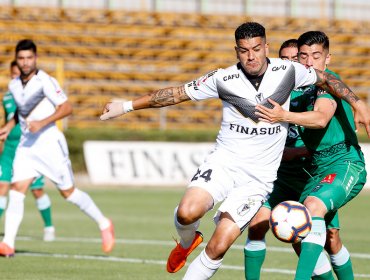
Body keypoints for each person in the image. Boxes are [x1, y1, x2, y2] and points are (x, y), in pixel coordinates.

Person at [100, 22, 369, 279]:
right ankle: (186, 240)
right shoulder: (222, 78)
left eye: (256, 49)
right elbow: (176, 93)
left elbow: (327, 79)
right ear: (236, 50)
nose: (250, 56)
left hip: (257, 179)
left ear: (265, 47)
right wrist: (125, 106)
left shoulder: (289, 71)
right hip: (224, 163)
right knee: (187, 212)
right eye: (243, 50)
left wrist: (359, 105)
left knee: (219, 245)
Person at [255, 31, 367, 280]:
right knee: (316, 233)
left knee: (312, 208)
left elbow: (320, 118)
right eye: (303, 57)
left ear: (327, 59)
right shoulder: (293, 90)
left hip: (345, 161)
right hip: (316, 170)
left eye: (315, 56)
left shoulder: (327, 84)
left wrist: (360, 104)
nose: (308, 63)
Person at [0, 39, 115, 257]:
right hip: (27, 145)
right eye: (21, 58)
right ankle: (8, 243)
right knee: (17, 189)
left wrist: (42, 123)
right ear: (17, 59)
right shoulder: (14, 85)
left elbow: (67, 107)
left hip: (49, 143)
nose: (25, 62)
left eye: (29, 58)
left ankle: (103, 223)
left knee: (68, 193)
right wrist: (8, 125)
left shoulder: (46, 81)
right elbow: (21, 111)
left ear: (35, 58)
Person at [0, 60, 55, 242]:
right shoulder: (7, 97)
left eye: (20, 75)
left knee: (36, 190)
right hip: (9, 150)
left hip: (30, 148)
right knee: (2, 187)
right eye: (14, 75)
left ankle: (49, 226)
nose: (18, 78)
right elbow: (8, 120)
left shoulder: (36, 97)